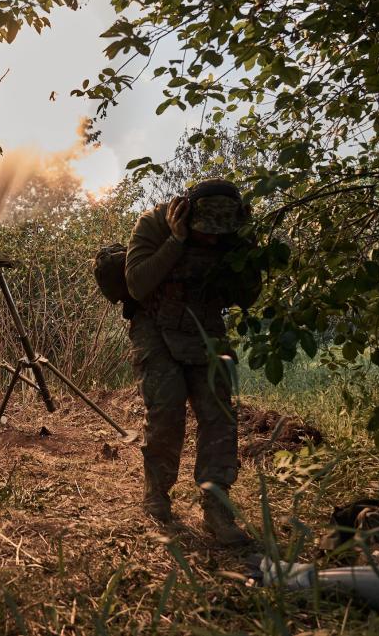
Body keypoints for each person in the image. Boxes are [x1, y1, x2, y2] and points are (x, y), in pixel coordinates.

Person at [125, 179, 260, 546]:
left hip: (205, 327)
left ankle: (216, 506)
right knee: (166, 410)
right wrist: (177, 240)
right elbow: (137, 285)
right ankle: (157, 495)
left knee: (219, 414)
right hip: (154, 324)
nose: (211, 240)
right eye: (206, 232)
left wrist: (245, 247)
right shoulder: (153, 224)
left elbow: (248, 295)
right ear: (185, 213)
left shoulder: (234, 235)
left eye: (219, 234)